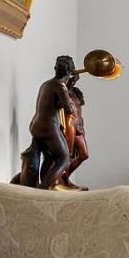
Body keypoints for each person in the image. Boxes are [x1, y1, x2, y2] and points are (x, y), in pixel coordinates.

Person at [12, 55, 77, 190]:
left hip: (36, 125)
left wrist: (68, 87)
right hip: (48, 127)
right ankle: (42, 189)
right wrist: (69, 88)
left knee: (49, 158)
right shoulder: (61, 87)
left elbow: (53, 103)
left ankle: (45, 186)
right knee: (64, 159)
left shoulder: (46, 84)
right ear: (70, 73)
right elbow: (69, 110)